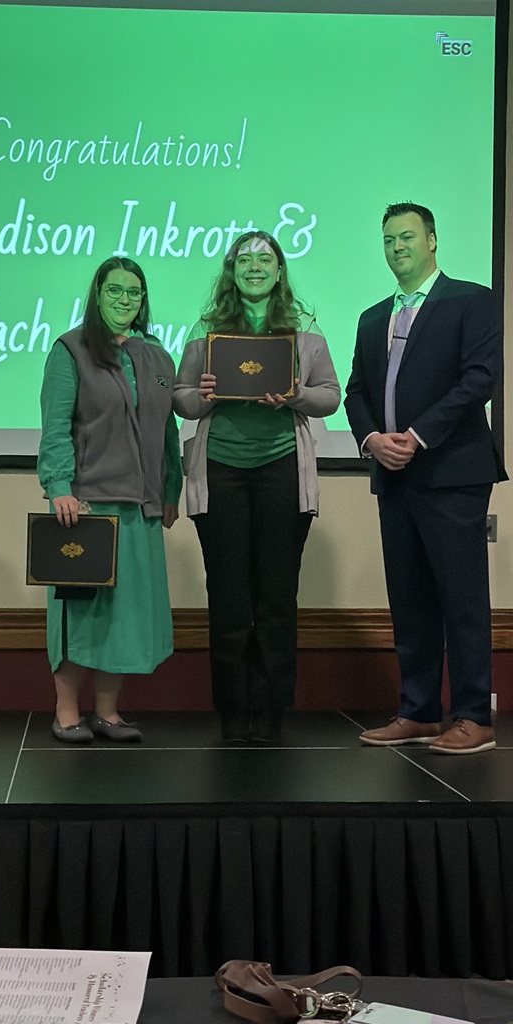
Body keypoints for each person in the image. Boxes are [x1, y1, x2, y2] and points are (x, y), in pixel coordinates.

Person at [345, 202, 507, 754]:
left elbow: (479, 380)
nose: (397, 247)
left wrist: (416, 435)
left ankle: (472, 717)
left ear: (433, 240)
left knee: (461, 597)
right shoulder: (372, 318)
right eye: (388, 239)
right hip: (392, 475)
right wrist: (373, 440)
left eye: (407, 237)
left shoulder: (472, 300)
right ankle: (418, 711)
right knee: (409, 599)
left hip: (451, 472)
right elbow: (356, 394)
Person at [174, 230, 340, 743]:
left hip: (282, 472)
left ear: (279, 270)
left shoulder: (305, 331)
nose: (254, 267)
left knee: (275, 596)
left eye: (264, 259)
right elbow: (181, 398)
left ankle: (270, 711)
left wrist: (294, 395)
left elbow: (330, 396)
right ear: (231, 270)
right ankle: (232, 708)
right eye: (244, 259)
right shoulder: (206, 331)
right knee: (227, 595)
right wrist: (202, 396)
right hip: (219, 470)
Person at [38, 256, 182, 743]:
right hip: (89, 509)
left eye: (134, 292)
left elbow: (167, 430)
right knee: (83, 618)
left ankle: (107, 711)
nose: (125, 300)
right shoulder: (70, 350)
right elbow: (56, 429)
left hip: (140, 508)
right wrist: (59, 487)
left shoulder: (157, 355)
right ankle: (66, 712)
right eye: (115, 290)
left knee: (125, 619)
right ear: (97, 294)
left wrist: (170, 489)